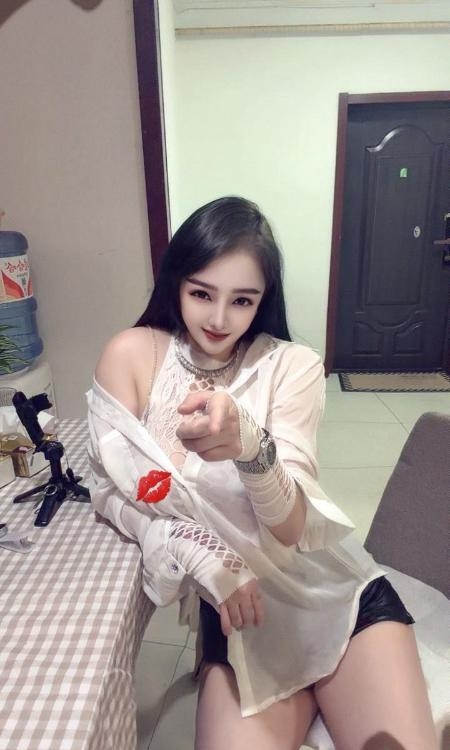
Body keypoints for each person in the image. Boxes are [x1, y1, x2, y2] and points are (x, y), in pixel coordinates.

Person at [87, 197, 437, 750]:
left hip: (339, 603)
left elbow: (292, 529)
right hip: (242, 623)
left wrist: (252, 447)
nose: (219, 319)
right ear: (177, 281)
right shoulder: (132, 354)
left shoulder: (291, 365)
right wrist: (190, 543)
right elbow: (107, 488)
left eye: (242, 300)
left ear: (263, 301)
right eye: (202, 293)